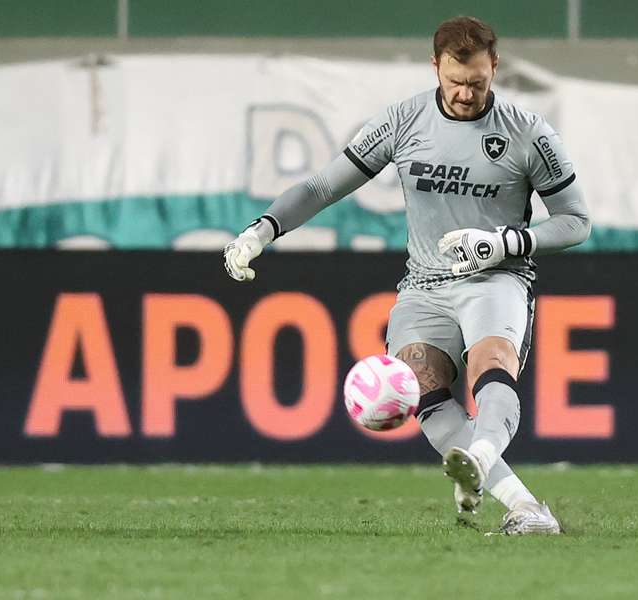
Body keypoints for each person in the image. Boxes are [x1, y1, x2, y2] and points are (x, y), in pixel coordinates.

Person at [224, 15, 589, 535]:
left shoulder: (528, 133)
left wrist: (505, 241)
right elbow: (324, 186)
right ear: (435, 65)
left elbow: (577, 221)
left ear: (495, 67)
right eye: (456, 81)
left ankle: (480, 460)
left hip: (496, 278)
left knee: (491, 365)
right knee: (424, 388)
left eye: (478, 82)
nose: (466, 94)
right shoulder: (402, 122)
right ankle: (527, 510)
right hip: (425, 287)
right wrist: (262, 230)